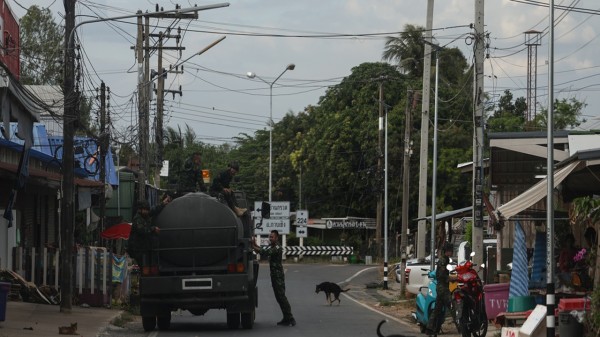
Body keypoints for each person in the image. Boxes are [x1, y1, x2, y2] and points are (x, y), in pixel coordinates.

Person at [252, 230, 296, 327]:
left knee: (282, 297)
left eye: (272, 237)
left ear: (276, 238)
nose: (270, 238)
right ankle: (286, 318)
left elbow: (264, 251)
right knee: (279, 298)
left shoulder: (277, 247)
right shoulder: (273, 246)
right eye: (270, 237)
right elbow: (262, 249)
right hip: (275, 276)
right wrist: (255, 245)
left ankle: (290, 318)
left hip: (278, 276)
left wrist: (253, 246)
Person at [128, 195, 171, 266]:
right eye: (145, 210)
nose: (147, 211)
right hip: (137, 249)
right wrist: (153, 228)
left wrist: (163, 203)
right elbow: (142, 230)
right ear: (140, 209)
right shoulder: (137, 219)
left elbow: (153, 210)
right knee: (142, 266)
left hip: (144, 247)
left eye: (147, 209)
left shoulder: (145, 215)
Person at [425, 242, 454, 336]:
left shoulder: (446, 260)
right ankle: (461, 326)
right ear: (447, 251)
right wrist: (451, 278)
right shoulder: (443, 260)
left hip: (442, 287)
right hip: (442, 288)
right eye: (450, 250)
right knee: (452, 306)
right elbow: (442, 275)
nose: (451, 252)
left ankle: (431, 329)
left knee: (437, 310)